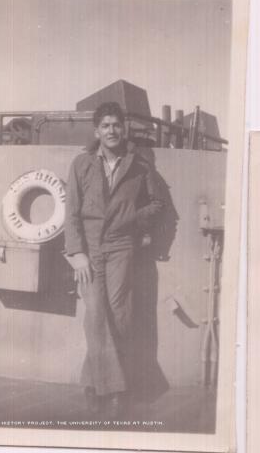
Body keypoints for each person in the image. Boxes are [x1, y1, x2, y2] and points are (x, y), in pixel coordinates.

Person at [64, 102, 163, 417]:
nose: (111, 131)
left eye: (116, 125)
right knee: (95, 313)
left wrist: (133, 220)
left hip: (122, 246)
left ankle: (96, 384)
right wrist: (76, 253)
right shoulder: (80, 164)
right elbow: (72, 214)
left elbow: (158, 203)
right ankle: (115, 388)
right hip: (89, 249)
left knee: (120, 314)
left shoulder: (140, 165)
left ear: (124, 129)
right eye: (105, 125)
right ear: (97, 131)